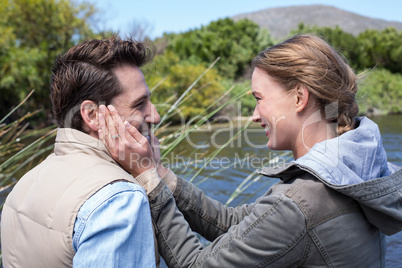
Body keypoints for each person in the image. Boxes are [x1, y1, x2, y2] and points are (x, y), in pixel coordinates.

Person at [99, 34, 402, 267]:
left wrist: (147, 178)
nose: (255, 115)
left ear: (299, 98)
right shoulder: (356, 171)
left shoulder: (302, 203)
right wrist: (162, 174)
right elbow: (238, 224)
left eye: (259, 98)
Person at [1, 35, 162, 267]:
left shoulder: (23, 185)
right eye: (139, 104)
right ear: (92, 115)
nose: (155, 116)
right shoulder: (118, 200)